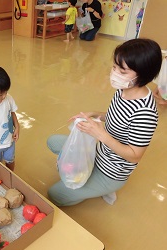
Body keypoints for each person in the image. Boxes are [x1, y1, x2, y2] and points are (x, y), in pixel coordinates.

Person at [46, 38, 162, 206]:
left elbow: (135, 155)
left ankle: (106, 188)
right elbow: (116, 116)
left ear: (143, 75)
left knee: (55, 195)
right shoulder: (123, 89)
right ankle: (91, 181)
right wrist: (95, 114)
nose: (114, 74)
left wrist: (101, 135)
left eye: (122, 72)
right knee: (52, 142)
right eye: (114, 67)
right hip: (98, 150)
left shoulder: (145, 113)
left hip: (111, 171)